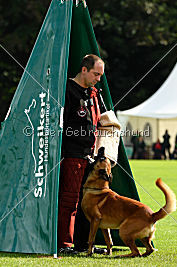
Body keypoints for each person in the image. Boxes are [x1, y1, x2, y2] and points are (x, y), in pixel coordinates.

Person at [57, 54, 106, 254]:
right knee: (70, 201)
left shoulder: (94, 94)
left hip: (91, 156)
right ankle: (64, 245)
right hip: (72, 155)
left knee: (90, 203)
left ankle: (87, 245)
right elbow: (60, 126)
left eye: (101, 75)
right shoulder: (67, 90)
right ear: (84, 70)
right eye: (96, 74)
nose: (98, 79)